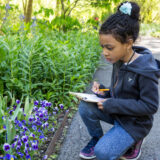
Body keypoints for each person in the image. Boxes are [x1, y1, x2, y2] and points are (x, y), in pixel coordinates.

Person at [78, 1, 160, 160]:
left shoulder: (145, 71)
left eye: (109, 47)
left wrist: (112, 104)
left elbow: (150, 106)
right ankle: (97, 138)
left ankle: (135, 140)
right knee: (85, 106)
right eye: (102, 47)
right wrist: (102, 90)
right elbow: (118, 91)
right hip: (119, 112)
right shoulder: (118, 60)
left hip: (135, 123)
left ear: (129, 43)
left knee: (103, 153)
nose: (104, 53)